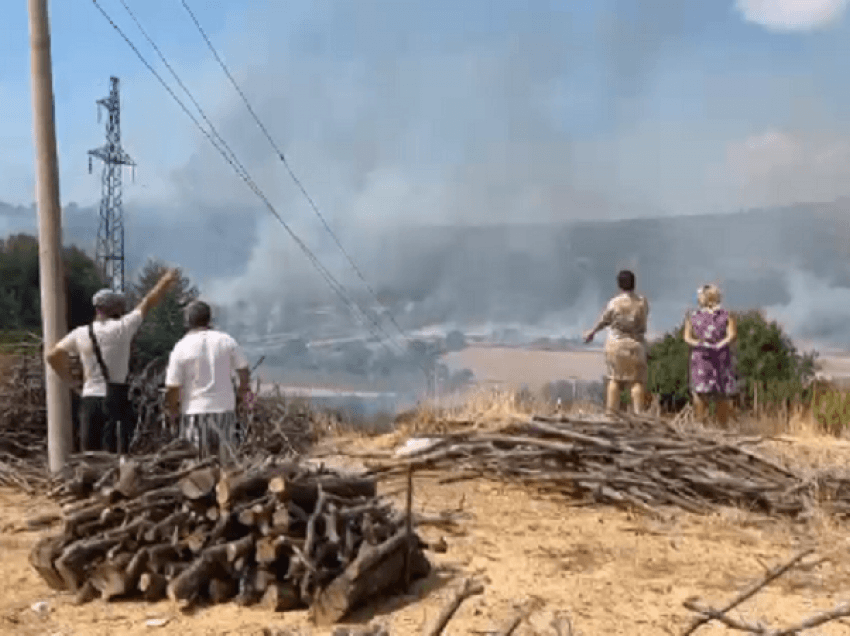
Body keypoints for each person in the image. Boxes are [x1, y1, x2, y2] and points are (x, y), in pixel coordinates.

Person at [46, 268, 180, 452]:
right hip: (115, 397)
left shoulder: (81, 333)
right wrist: (166, 280)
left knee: (90, 452)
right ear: (115, 308)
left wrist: (70, 381)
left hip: (89, 397)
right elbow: (148, 302)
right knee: (114, 451)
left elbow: (52, 356)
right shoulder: (124, 327)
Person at [164, 300, 251, 462]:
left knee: (196, 465)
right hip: (225, 410)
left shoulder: (181, 347)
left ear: (187, 321)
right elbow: (244, 370)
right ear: (209, 319)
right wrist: (242, 393)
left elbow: (173, 387)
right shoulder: (226, 340)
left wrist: (173, 412)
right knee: (227, 463)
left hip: (193, 413)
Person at [584, 270, 650, 414]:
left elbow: (604, 320)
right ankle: (639, 414)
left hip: (616, 344)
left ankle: (611, 414)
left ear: (619, 285)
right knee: (637, 381)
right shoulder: (642, 302)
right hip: (636, 345)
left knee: (614, 379)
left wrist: (592, 331)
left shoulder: (614, 303)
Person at [682, 283, 738, 426]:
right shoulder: (694, 315)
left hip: (711, 357)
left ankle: (715, 426)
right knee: (708, 393)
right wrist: (716, 344)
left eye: (700, 295)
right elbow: (732, 335)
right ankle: (709, 426)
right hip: (711, 356)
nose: (698, 298)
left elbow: (687, 337)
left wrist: (704, 344)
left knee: (716, 393)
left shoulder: (723, 315)